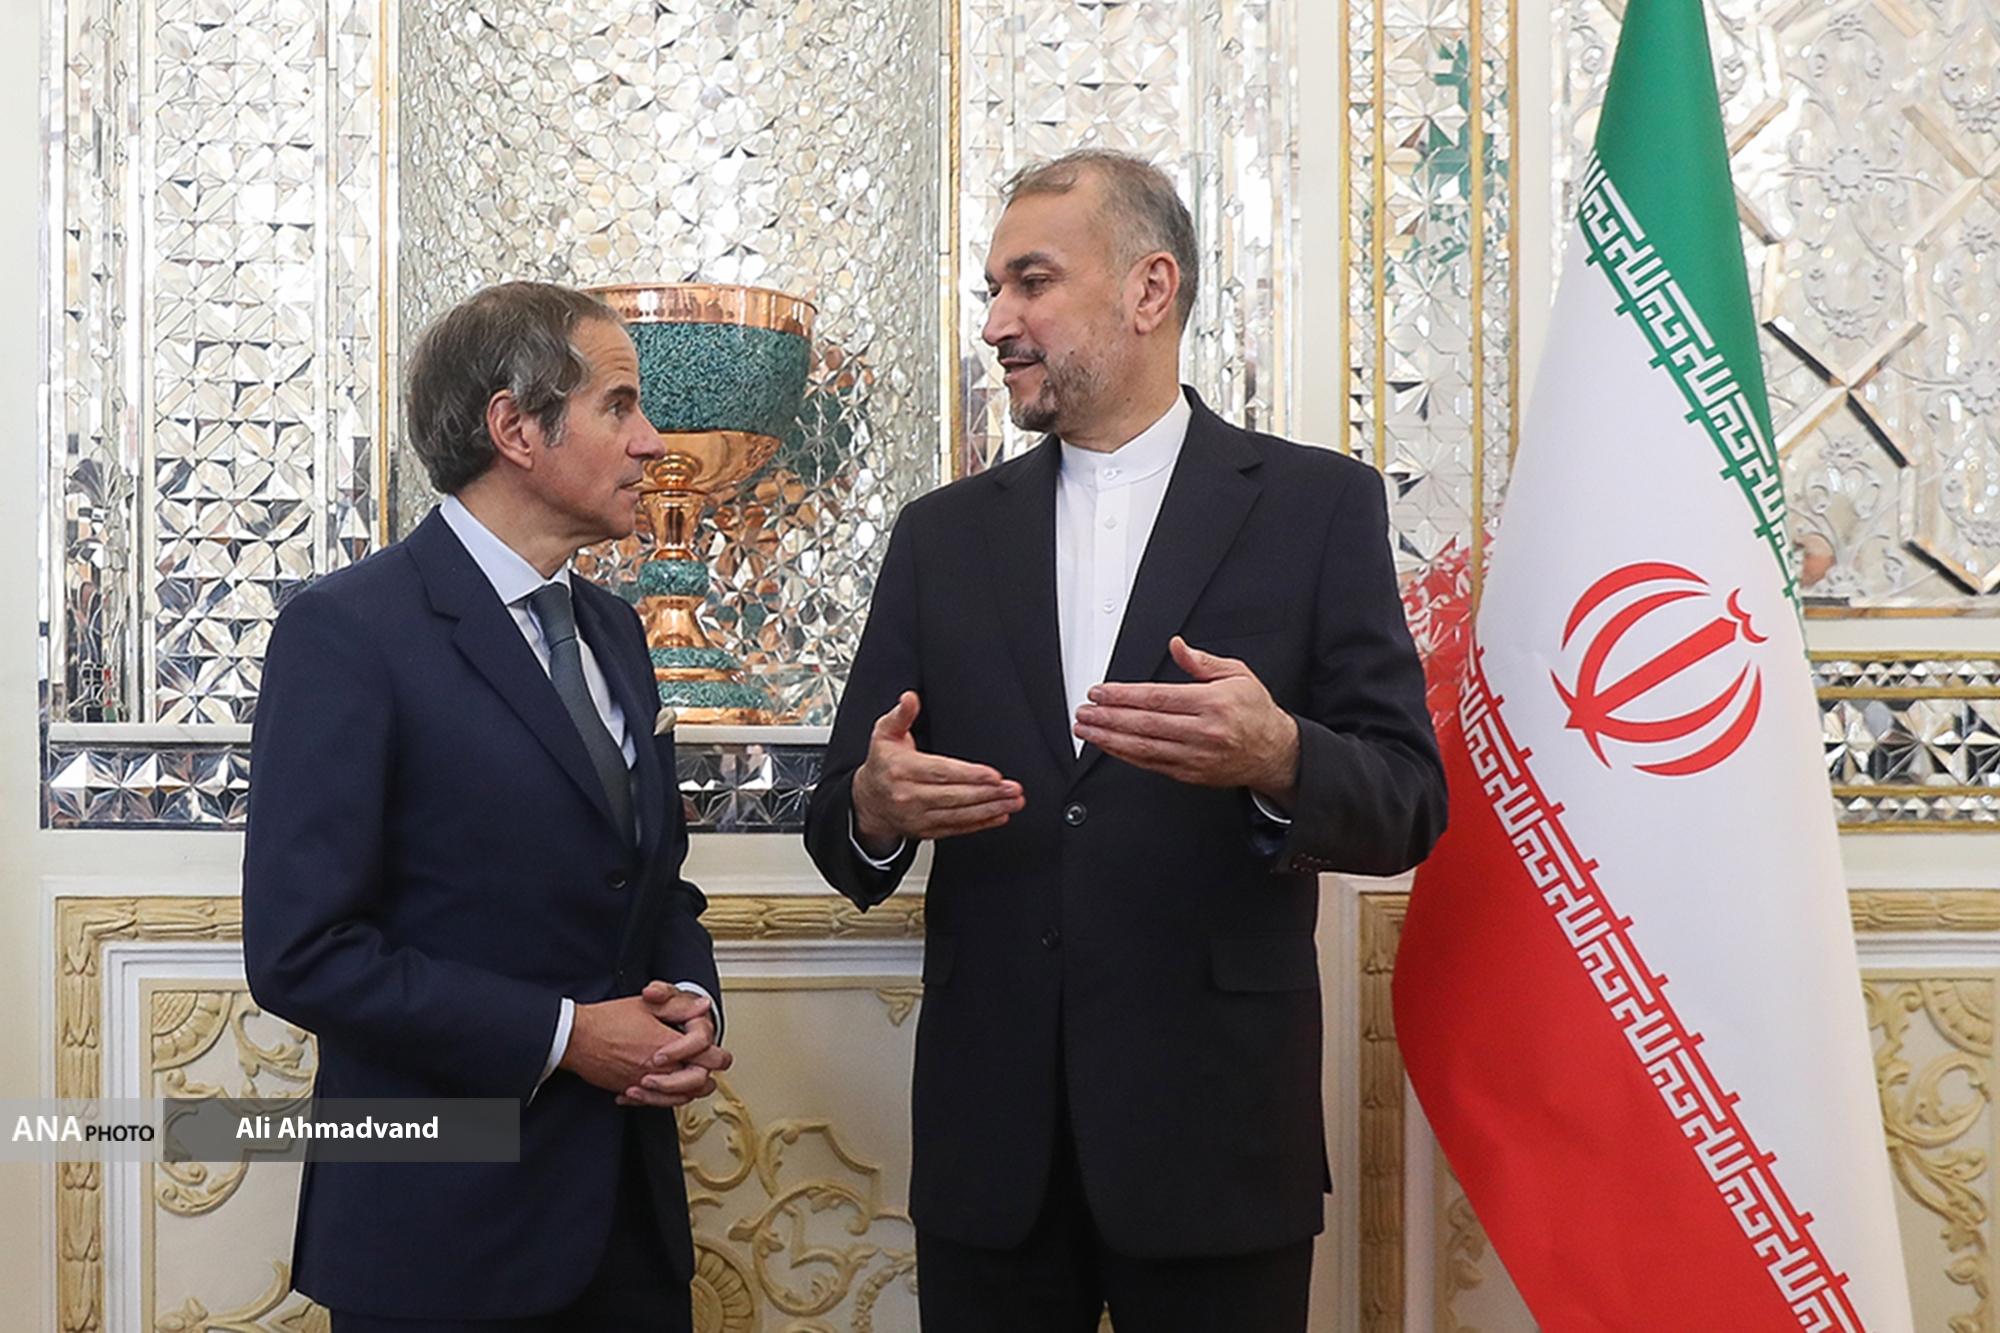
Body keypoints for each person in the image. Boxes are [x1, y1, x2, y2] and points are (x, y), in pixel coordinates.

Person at [803, 151, 1447, 1331]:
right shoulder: (942, 537)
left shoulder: (1314, 507)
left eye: (1031, 282)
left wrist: (1279, 756)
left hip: (1215, 1140)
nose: (996, 323)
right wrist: (873, 809)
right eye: (992, 290)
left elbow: (1407, 801)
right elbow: (842, 820)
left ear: (1150, 290)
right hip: (992, 1151)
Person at [244, 281, 729, 1332]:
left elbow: (652, 885)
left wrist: (691, 1002)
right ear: (515, 427)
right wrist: (564, 1035)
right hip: (439, 1239)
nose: (651, 441)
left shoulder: (616, 632)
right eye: (618, 405)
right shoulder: (347, 633)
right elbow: (301, 951)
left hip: (629, 1234)